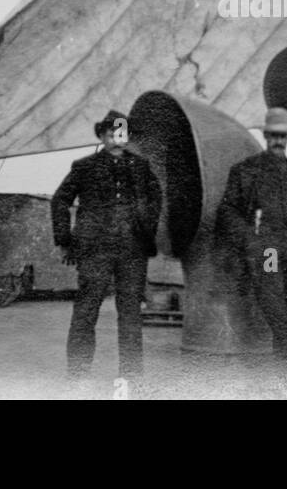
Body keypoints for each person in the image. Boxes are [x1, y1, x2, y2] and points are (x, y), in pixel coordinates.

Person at [51, 109, 162, 379]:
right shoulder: (84, 166)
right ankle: (77, 376)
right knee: (86, 311)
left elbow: (156, 199)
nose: (116, 138)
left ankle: (133, 377)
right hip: (94, 251)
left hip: (132, 251)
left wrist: (145, 226)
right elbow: (59, 201)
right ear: (102, 135)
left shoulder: (142, 166)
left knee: (131, 315)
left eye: (122, 132)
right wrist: (65, 239)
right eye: (111, 133)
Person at [217, 106, 287, 368]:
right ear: (266, 136)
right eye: (274, 135)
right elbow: (227, 211)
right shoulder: (246, 171)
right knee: (271, 298)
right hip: (268, 250)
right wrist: (250, 239)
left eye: (283, 136)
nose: (278, 141)